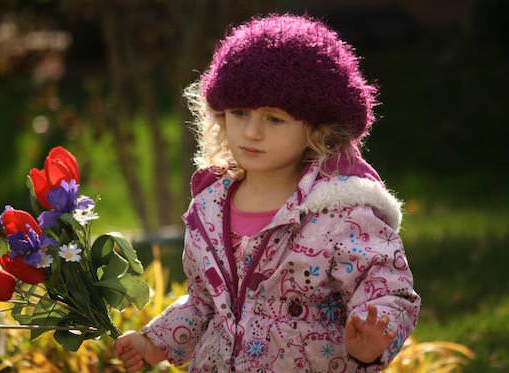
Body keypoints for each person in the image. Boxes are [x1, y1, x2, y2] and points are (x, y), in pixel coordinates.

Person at [114, 13, 420, 372]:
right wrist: (155, 342)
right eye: (239, 113)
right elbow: (204, 303)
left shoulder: (342, 212)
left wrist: (375, 334)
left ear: (318, 128)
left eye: (274, 118)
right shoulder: (210, 207)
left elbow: (387, 288)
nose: (252, 132)